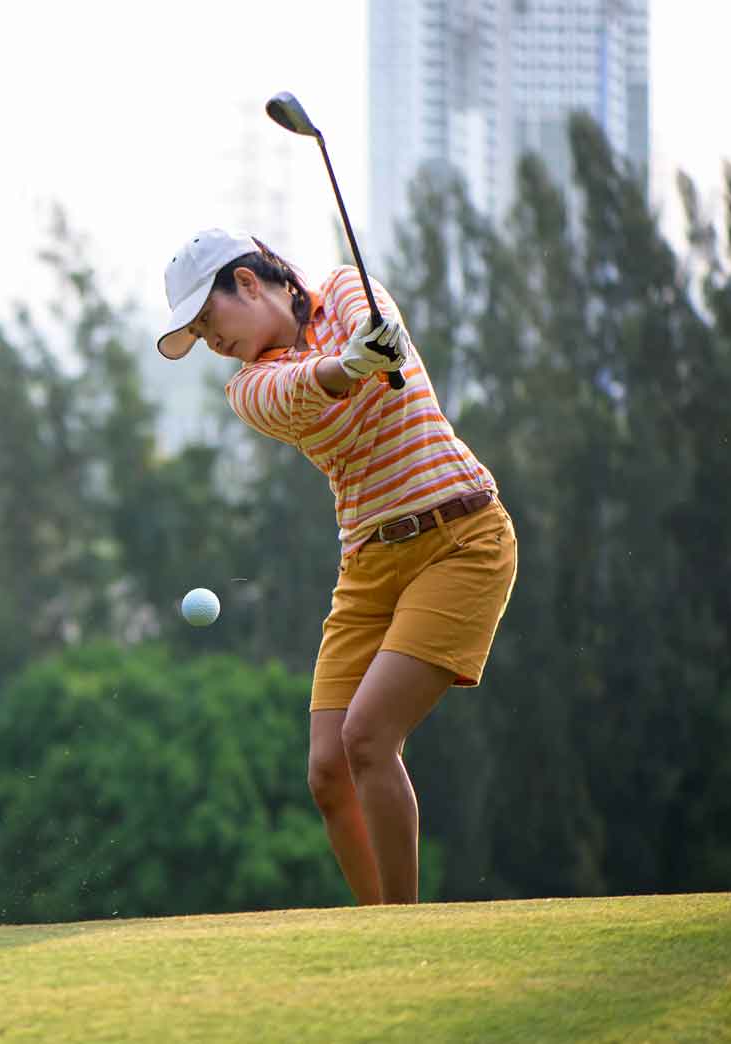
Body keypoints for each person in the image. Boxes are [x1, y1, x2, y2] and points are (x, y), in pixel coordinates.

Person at [155, 228, 518, 905]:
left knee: (369, 737)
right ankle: (373, 924)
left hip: (461, 539)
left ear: (248, 282)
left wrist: (370, 343)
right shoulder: (250, 388)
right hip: (369, 568)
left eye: (211, 322)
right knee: (328, 770)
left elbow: (373, 320)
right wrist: (351, 364)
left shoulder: (348, 286)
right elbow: (304, 385)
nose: (212, 343)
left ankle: (401, 936)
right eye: (199, 337)